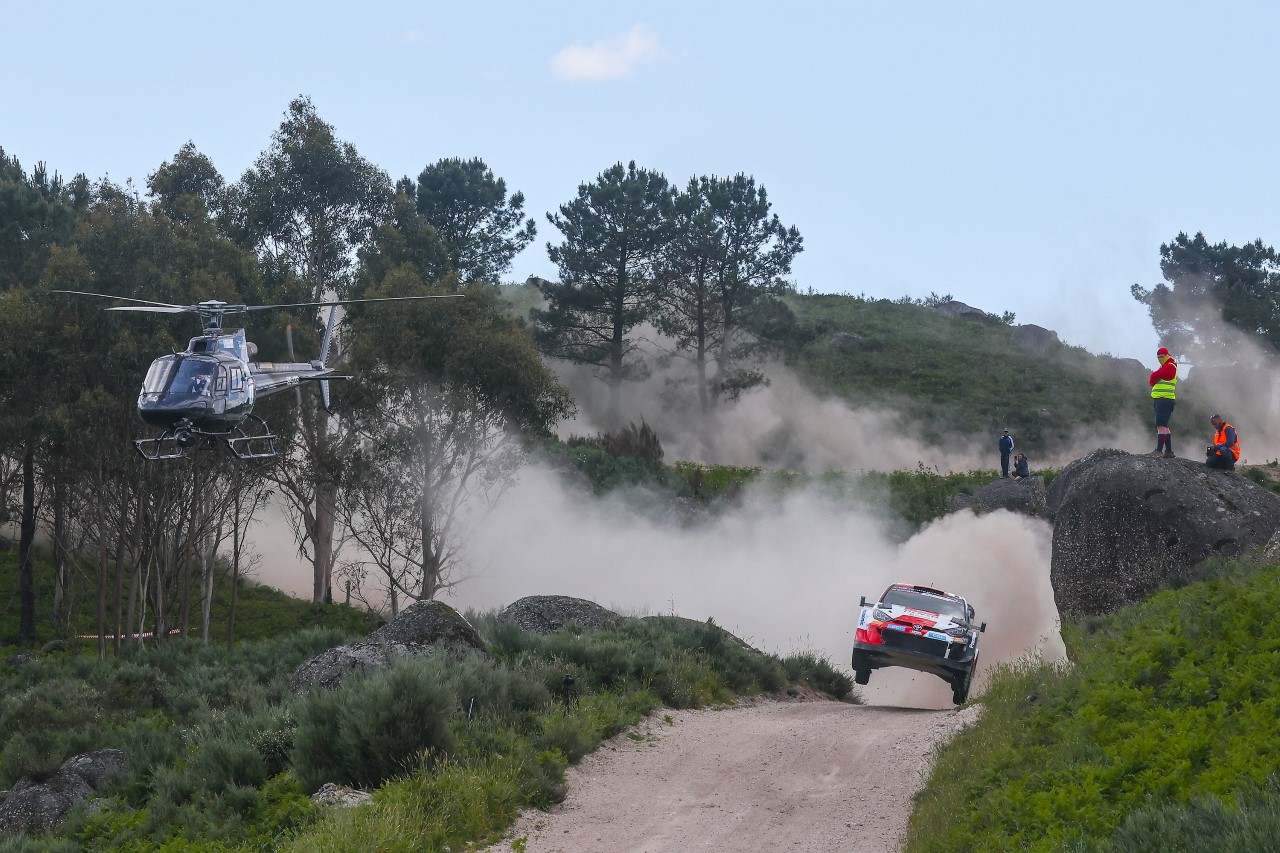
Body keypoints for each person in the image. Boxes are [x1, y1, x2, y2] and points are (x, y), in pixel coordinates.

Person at [1149, 347, 1178, 458]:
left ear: (1167, 355)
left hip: (1164, 399)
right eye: (1158, 357)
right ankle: (1169, 451)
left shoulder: (1169, 366)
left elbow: (1153, 376)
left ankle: (1159, 450)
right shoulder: (1168, 366)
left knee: (1161, 426)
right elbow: (1155, 378)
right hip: (1164, 399)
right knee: (1165, 426)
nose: (1160, 359)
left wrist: (1153, 379)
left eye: (1162, 356)